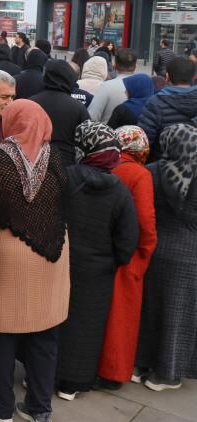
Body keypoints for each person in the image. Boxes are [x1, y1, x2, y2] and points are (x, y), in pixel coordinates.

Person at [0, 100, 69, 422]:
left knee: (1, 332)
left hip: (6, 254)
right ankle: (39, 409)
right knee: (46, 333)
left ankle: (1, 409)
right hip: (51, 254)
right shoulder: (56, 158)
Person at [56, 122, 139, 400]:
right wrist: (113, 260)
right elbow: (128, 239)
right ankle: (73, 383)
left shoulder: (66, 177)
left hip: (60, 261)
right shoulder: (119, 190)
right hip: (98, 271)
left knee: (53, 321)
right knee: (86, 327)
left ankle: (41, 375)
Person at [135, 123, 197, 391]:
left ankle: (141, 363)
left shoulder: (153, 172)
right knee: (179, 315)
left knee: (150, 311)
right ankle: (167, 375)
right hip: (190, 253)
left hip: (157, 250)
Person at [97, 126, 158, 388]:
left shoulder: (106, 164)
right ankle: (112, 372)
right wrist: (145, 251)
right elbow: (146, 221)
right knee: (120, 317)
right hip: (128, 254)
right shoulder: (138, 174)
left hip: (98, 248)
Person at [30, 60, 90, 166]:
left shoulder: (31, 103)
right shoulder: (78, 107)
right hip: (66, 164)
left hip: (34, 161)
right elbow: (87, 139)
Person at [138, 57, 197, 160]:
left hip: (162, 165)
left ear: (167, 77)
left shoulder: (156, 102)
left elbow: (144, 141)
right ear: (193, 77)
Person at [89, 48, 138, 122]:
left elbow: (92, 117)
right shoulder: (145, 87)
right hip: (136, 132)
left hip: (109, 131)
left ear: (115, 65)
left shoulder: (106, 86)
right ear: (135, 66)